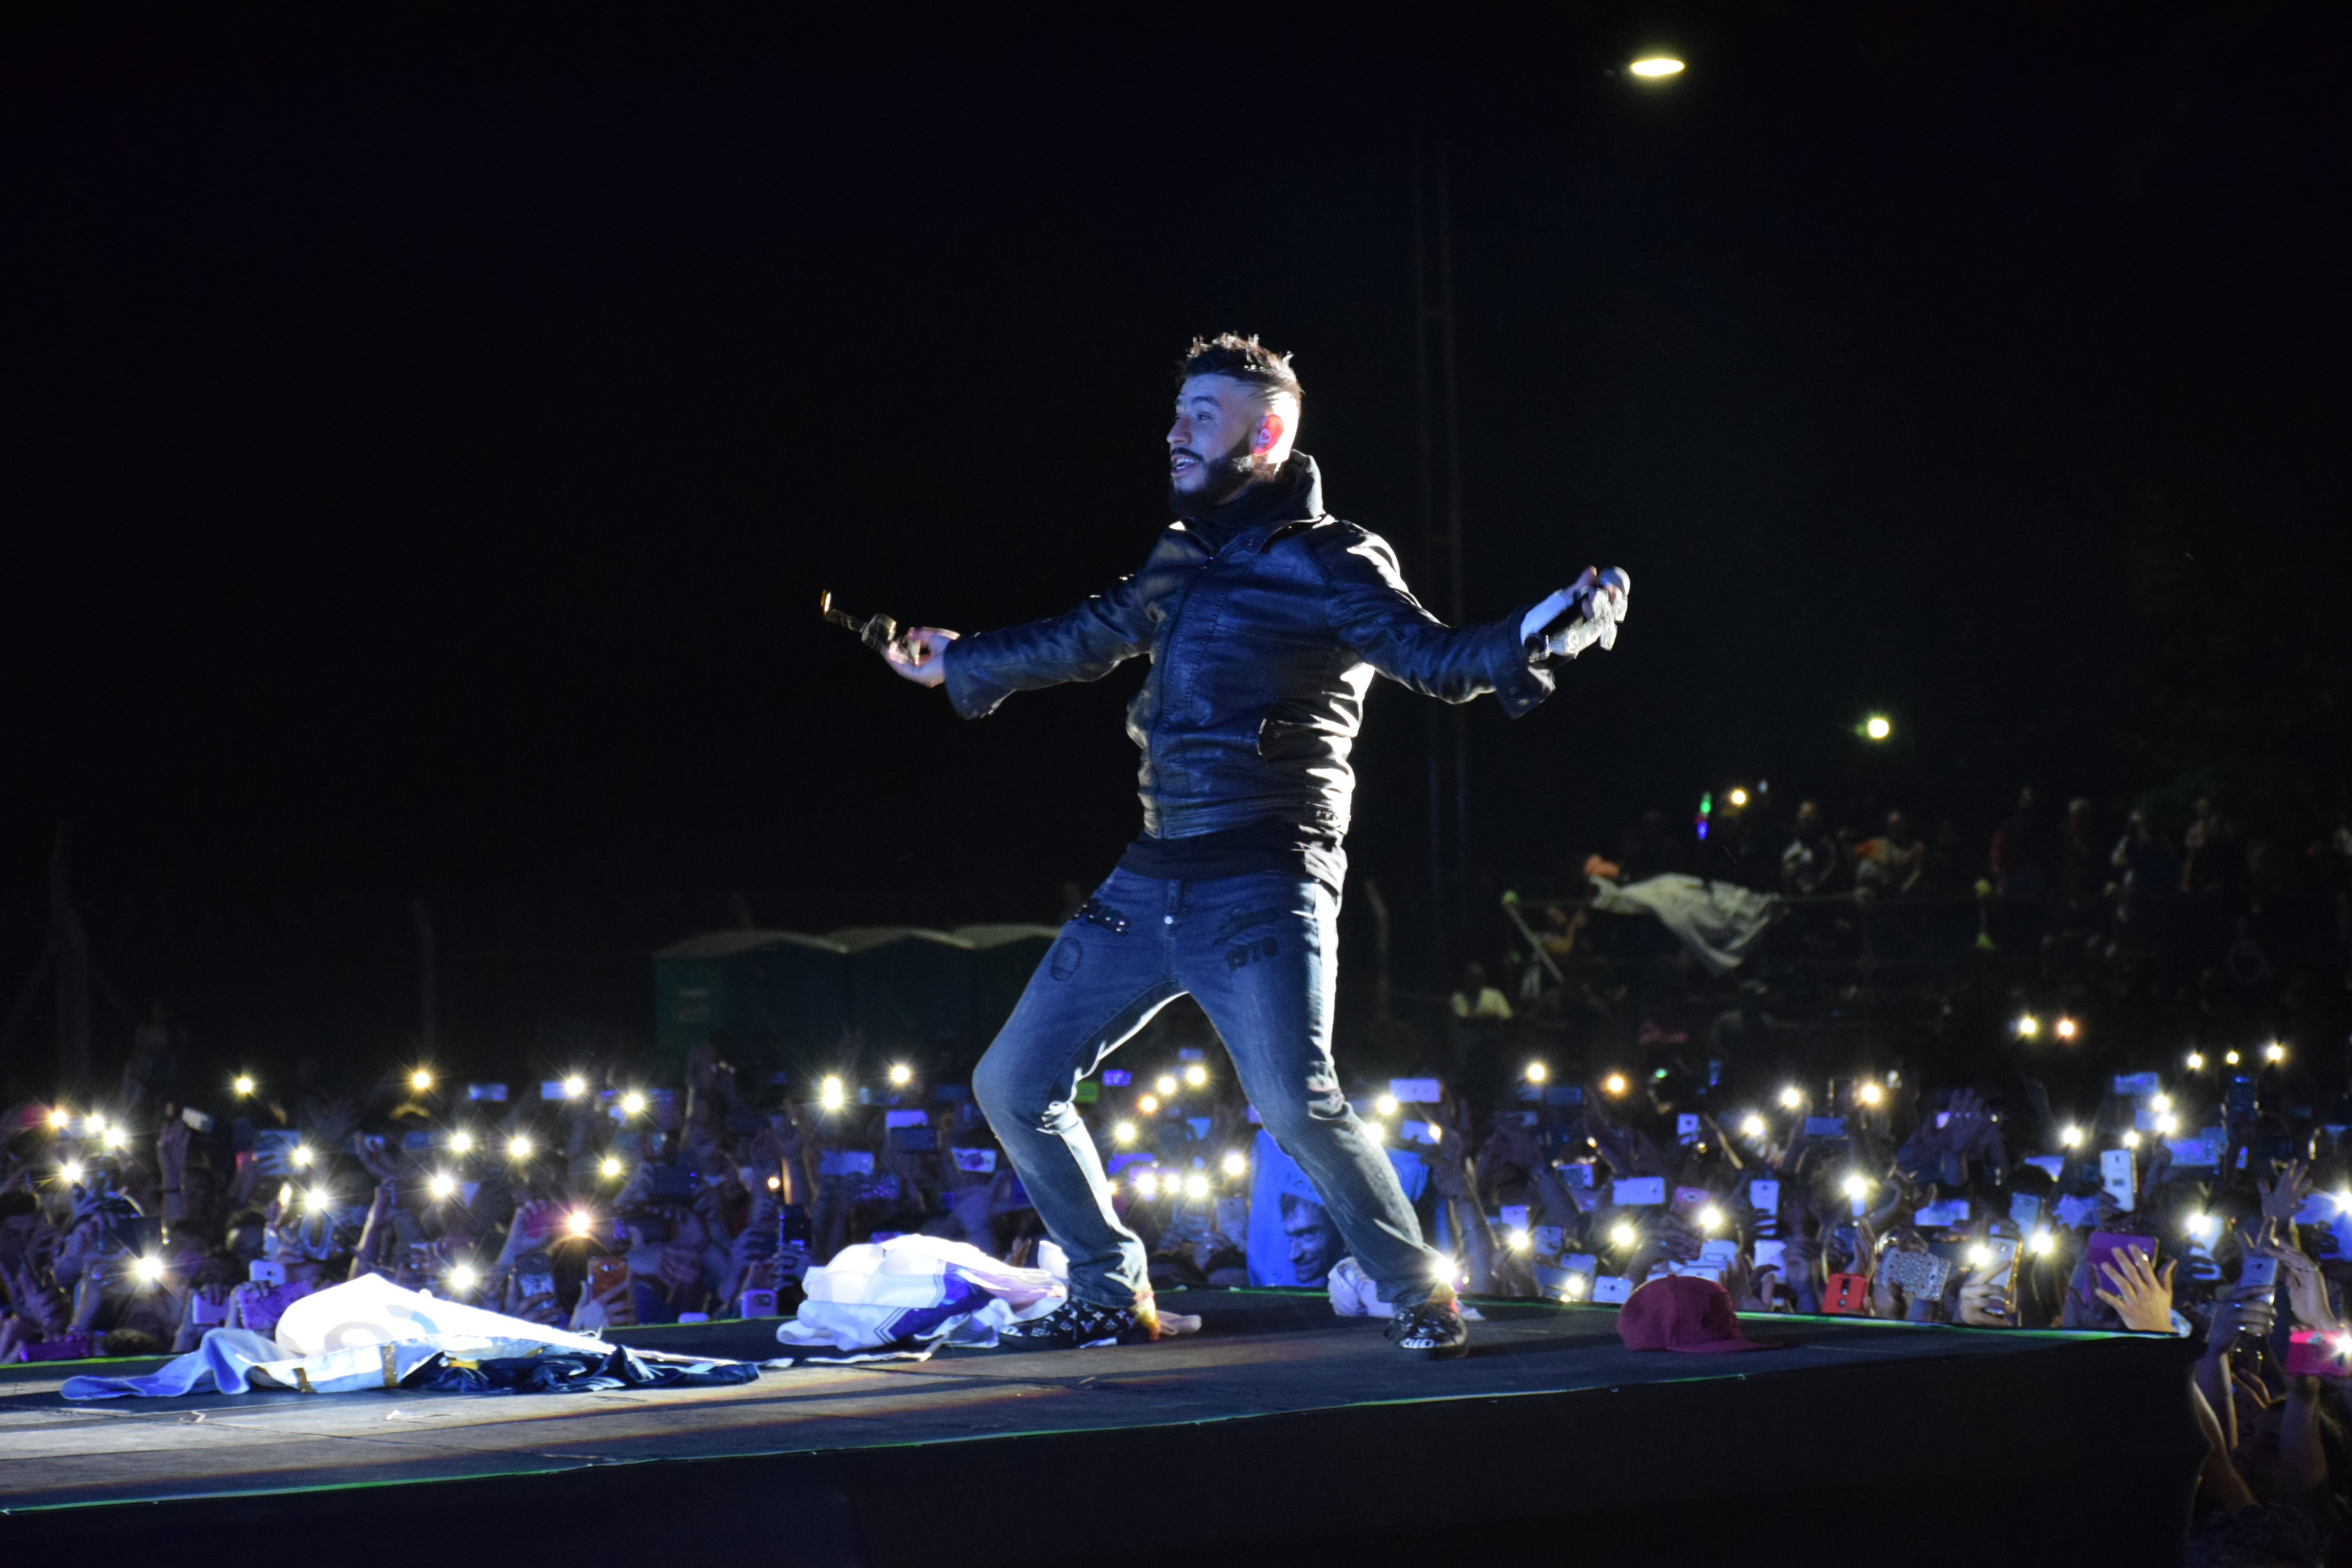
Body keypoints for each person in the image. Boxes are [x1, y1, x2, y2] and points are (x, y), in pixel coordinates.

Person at [875, 333, 1628, 1358]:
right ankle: (1106, 1287)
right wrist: (960, 660)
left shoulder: (1330, 559)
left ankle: (1421, 1291)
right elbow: (1082, 634)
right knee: (1012, 1082)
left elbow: (1433, 658)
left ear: (1266, 435)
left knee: (1293, 1101)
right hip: (1155, 870)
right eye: (1178, 410)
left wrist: (1534, 634)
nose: (1174, 431)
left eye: (1202, 415)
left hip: (1264, 876)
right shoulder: (1181, 555)